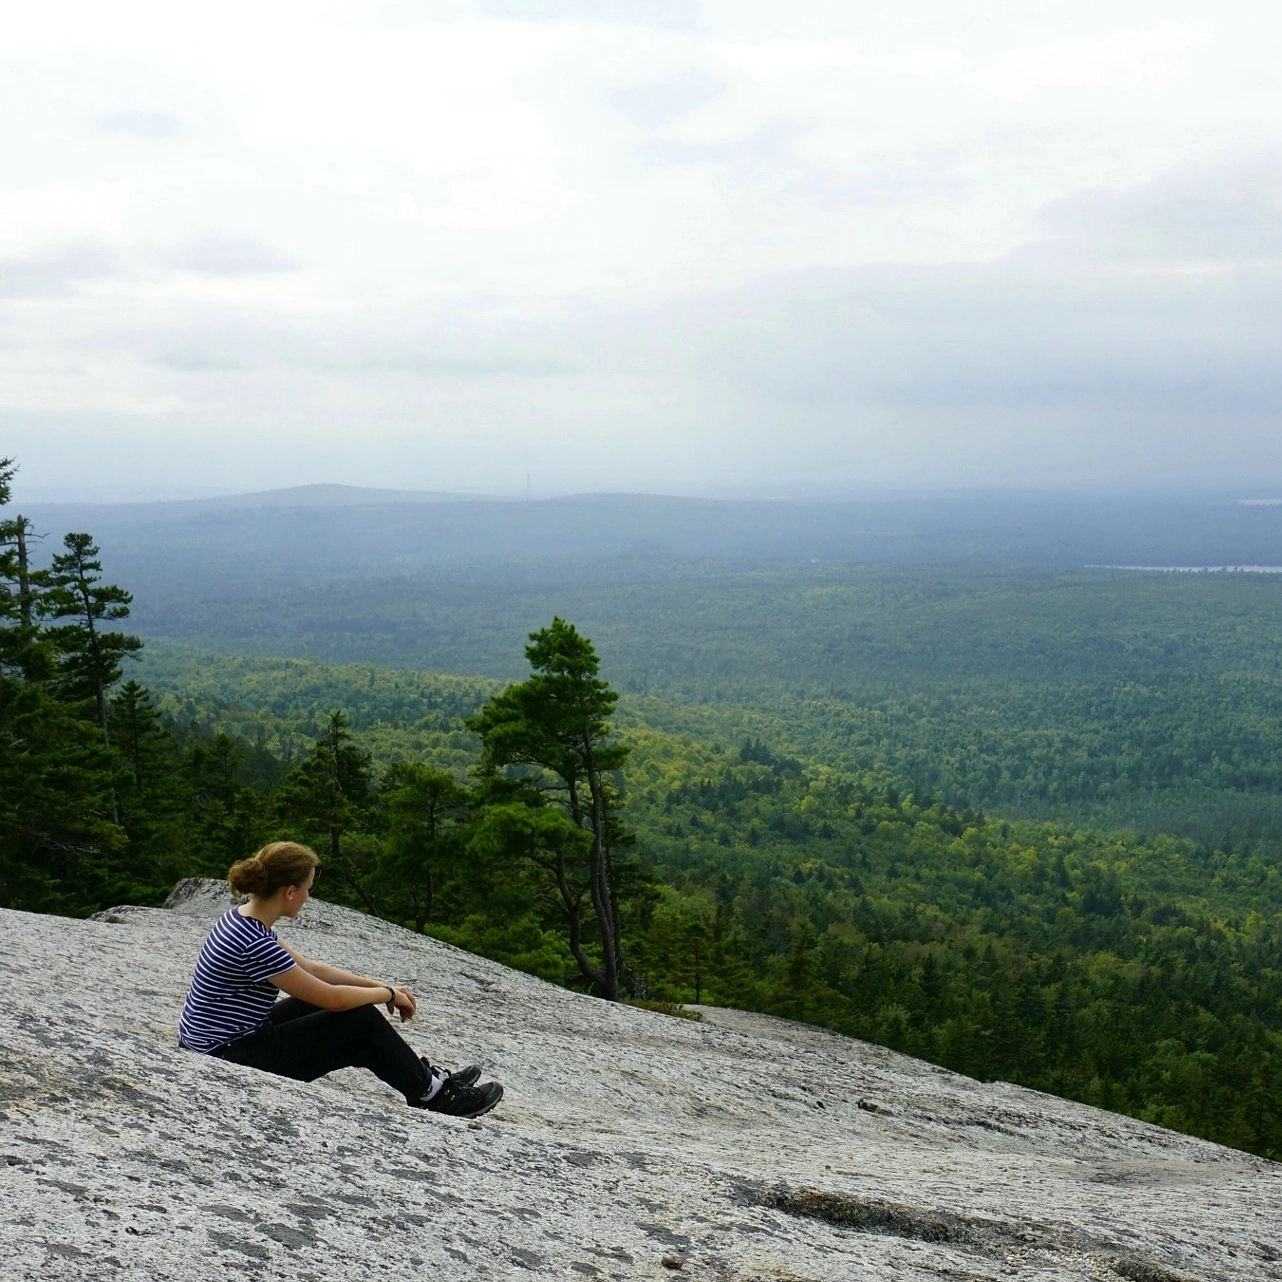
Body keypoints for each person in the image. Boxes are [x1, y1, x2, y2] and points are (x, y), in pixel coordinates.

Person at [178, 841, 503, 1118]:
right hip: (226, 1056)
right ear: (290, 892)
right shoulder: (256, 943)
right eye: (308, 889)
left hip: (218, 1042)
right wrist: (386, 996)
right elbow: (333, 1000)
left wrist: (380, 986)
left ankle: (422, 1078)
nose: (308, 896)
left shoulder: (241, 918)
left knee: (317, 1000)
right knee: (358, 1021)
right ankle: (433, 1095)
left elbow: (313, 971)